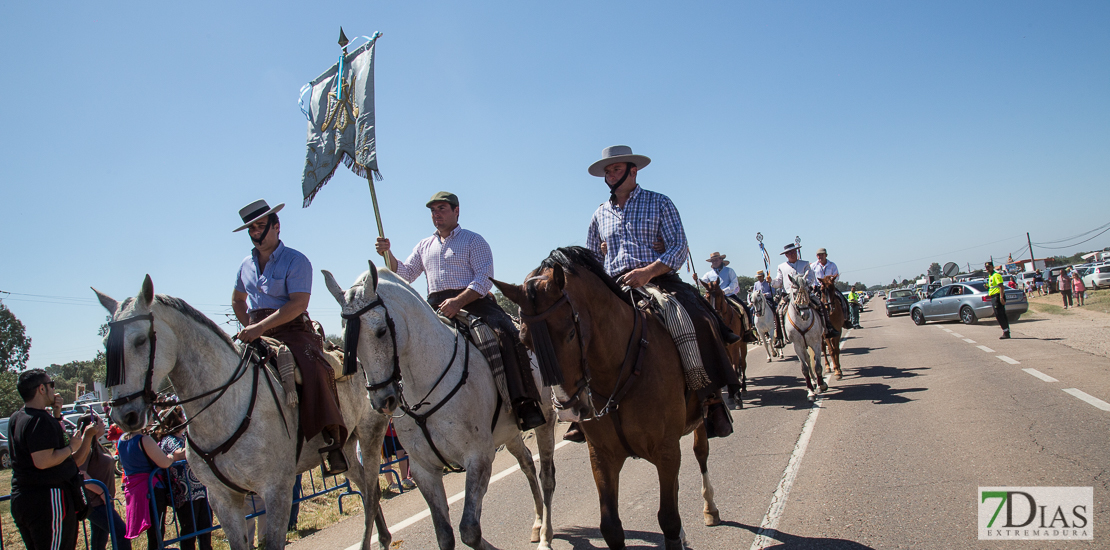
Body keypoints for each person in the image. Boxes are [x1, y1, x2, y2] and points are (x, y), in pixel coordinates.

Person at [584, 145, 740, 438]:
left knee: (696, 317)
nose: (610, 175)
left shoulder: (659, 203)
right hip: (614, 285)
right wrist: (603, 261)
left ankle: (711, 398)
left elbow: (679, 247)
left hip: (658, 280)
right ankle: (583, 409)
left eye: (616, 169)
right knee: (579, 330)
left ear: (633, 171)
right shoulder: (599, 215)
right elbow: (592, 259)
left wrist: (649, 271)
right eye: (607, 171)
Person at [375, 191, 546, 431]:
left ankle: (524, 402)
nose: (437, 214)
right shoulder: (424, 245)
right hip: (435, 305)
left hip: (475, 302)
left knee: (507, 334)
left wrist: (458, 301)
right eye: (433, 211)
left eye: (442, 209)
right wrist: (387, 253)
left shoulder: (473, 240)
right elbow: (404, 274)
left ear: (456, 211)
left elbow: (483, 280)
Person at [232, 199, 349, 474]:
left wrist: (259, 328)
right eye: (251, 228)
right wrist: (249, 326)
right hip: (256, 330)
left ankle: (332, 441)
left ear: (277, 226)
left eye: (260, 226)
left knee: (314, 368)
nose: (255, 233)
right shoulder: (244, 265)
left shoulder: (296, 260)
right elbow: (238, 300)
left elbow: (297, 304)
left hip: (293, 330)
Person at [8, 369, 103, 550]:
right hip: (47, 500)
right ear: (41, 389)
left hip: (23, 497)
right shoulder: (39, 420)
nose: (55, 390)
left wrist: (57, 415)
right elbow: (43, 461)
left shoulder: (17, 417)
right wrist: (71, 447)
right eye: (52, 385)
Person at [118, 418, 184, 549]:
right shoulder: (144, 439)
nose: (153, 421)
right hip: (151, 488)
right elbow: (164, 462)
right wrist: (170, 457)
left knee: (153, 531)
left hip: (135, 488)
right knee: (157, 530)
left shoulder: (122, 439)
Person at [154, 407, 213, 550]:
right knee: (189, 530)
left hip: (200, 489)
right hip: (185, 493)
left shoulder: (185, 437)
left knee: (206, 527)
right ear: (176, 419)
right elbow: (178, 454)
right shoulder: (169, 440)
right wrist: (198, 444)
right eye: (182, 416)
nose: (185, 419)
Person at [79, 413, 131, 550]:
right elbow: (82, 474)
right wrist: (102, 492)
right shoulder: (86, 447)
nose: (104, 424)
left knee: (99, 540)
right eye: (101, 422)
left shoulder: (96, 445)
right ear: (92, 426)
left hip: (103, 501)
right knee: (122, 532)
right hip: (95, 503)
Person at [771, 243, 837, 341]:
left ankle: (828, 328)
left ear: (796, 252)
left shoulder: (805, 263)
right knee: (779, 311)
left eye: (793, 252)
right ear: (786, 255)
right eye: (789, 253)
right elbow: (778, 282)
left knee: (820, 304)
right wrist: (771, 282)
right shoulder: (781, 267)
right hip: (789, 295)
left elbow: (811, 277)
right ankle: (780, 337)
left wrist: (804, 284)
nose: (792, 254)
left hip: (805, 293)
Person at [697, 252, 757, 342]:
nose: (714, 262)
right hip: (714, 297)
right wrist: (696, 279)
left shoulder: (729, 271)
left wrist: (724, 291)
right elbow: (702, 283)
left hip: (729, 295)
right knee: (700, 312)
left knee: (744, 309)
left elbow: (734, 283)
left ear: (721, 260)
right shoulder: (708, 274)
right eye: (713, 260)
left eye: (716, 259)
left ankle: (748, 332)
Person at [382, 420, 415, 492]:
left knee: (402, 455)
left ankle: (404, 478)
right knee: (388, 459)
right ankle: (391, 483)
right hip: (385, 436)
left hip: (397, 434)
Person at [986, 262, 1011, 339]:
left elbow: (1001, 286)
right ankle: (1006, 331)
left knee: (999, 315)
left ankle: (1006, 331)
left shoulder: (996, 275)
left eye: (989, 267)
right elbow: (993, 286)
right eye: (986, 267)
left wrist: (1001, 297)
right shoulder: (990, 276)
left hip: (997, 296)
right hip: (994, 296)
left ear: (992, 267)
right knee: (999, 314)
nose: (987, 268)